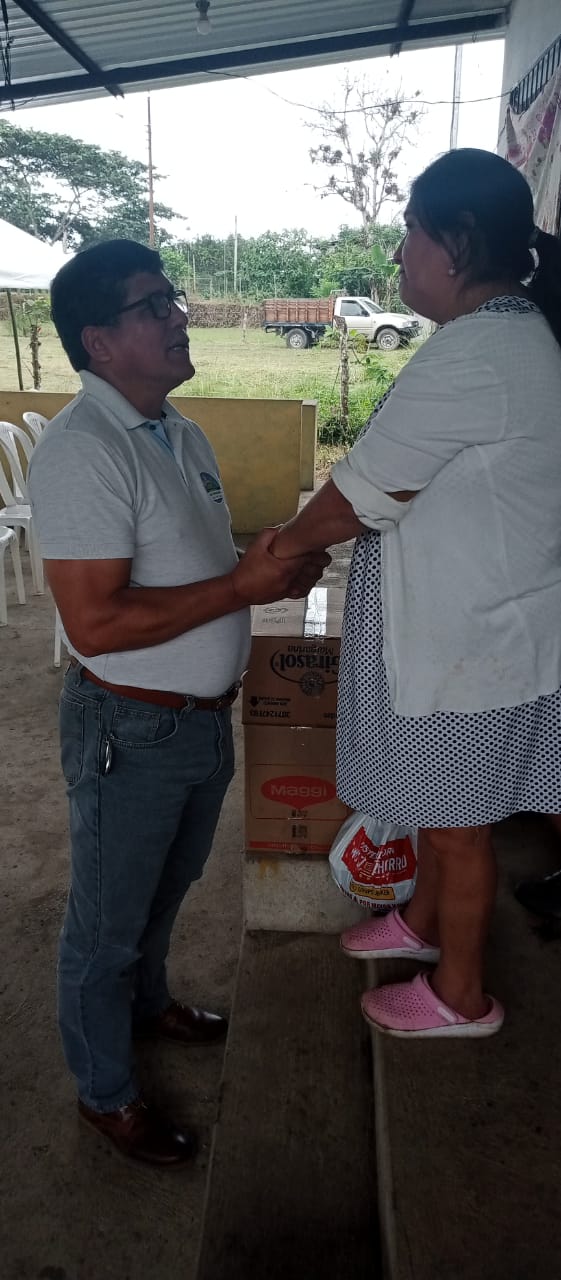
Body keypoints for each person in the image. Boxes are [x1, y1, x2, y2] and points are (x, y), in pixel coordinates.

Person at [28, 240, 328, 1165]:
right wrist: (241, 588)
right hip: (130, 727)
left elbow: (196, 562)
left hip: (197, 720)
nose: (178, 317)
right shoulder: (85, 450)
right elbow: (96, 622)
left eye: (174, 300)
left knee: (166, 886)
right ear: (98, 340)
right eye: (153, 305)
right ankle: (105, 1093)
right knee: (105, 924)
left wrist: (268, 563)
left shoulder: (175, 430)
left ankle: (149, 1003)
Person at [270, 148, 561, 1040]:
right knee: (439, 812)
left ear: (457, 241)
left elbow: (362, 493)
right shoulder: (500, 337)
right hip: (469, 623)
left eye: (409, 230)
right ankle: (423, 921)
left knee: (457, 826)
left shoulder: (482, 351)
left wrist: (279, 552)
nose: (398, 252)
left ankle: (460, 997)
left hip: (469, 641)